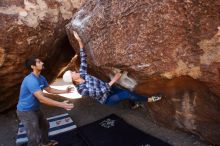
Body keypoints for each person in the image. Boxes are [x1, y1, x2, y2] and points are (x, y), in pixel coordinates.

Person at [62, 31, 162, 107]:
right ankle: (150, 99)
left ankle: (134, 104)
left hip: (109, 89)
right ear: (73, 79)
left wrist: (79, 40)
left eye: (73, 71)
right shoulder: (81, 90)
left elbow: (83, 57)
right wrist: (114, 79)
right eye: (73, 73)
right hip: (107, 98)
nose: (75, 71)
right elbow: (101, 91)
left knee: (127, 93)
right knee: (126, 94)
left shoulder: (82, 73)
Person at [17, 57, 74, 146]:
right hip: (25, 111)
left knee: (45, 126)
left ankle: (45, 142)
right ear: (33, 66)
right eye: (39, 62)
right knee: (34, 136)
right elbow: (42, 99)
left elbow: (49, 89)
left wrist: (65, 91)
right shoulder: (31, 80)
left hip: (35, 108)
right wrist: (62, 104)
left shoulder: (41, 78)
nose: (42, 63)